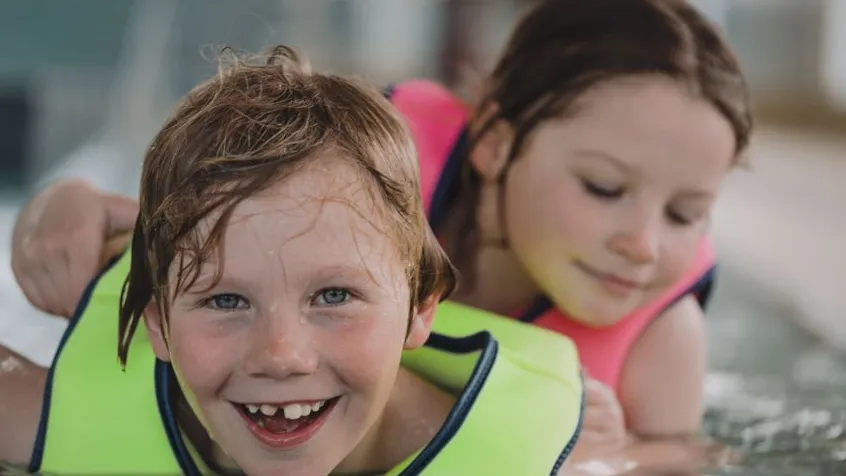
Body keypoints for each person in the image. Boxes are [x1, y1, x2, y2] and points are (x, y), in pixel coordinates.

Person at [10, 0, 752, 453]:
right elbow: (192, 230)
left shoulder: (663, 333)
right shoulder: (379, 167)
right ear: (492, 140)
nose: (645, 243)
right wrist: (62, 204)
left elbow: (684, 455)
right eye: (604, 187)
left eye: (686, 213)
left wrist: (610, 454)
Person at [0, 46, 584, 475]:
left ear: (420, 307)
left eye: (334, 296)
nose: (281, 356)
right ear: (158, 323)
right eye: (225, 300)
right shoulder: (70, 421)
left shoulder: (528, 456)